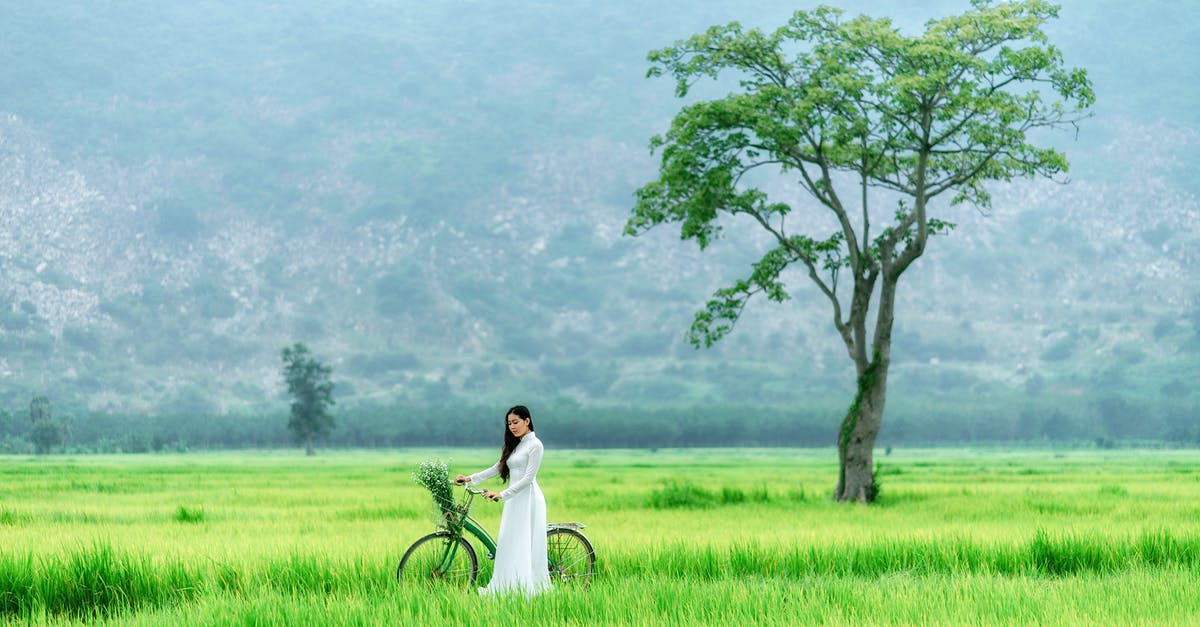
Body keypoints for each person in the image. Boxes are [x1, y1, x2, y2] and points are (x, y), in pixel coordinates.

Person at [455, 405, 551, 596]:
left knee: (523, 542)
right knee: (509, 540)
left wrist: (502, 494)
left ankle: (525, 588)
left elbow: (528, 479)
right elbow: (498, 467)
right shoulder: (517, 445)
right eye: (509, 423)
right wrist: (470, 478)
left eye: (515, 422)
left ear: (527, 421)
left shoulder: (535, 445)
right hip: (513, 500)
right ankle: (507, 585)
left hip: (528, 499)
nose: (512, 427)